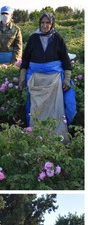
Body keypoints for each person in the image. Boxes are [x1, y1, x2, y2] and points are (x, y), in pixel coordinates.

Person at [19, 12, 75, 140]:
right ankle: (36, 137)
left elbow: (66, 60)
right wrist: (22, 78)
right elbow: (25, 60)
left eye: (47, 23)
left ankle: (57, 137)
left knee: (63, 107)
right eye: (42, 23)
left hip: (54, 80)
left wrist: (66, 79)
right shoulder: (33, 38)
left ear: (52, 24)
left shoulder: (58, 38)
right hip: (36, 80)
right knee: (35, 109)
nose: (45, 25)